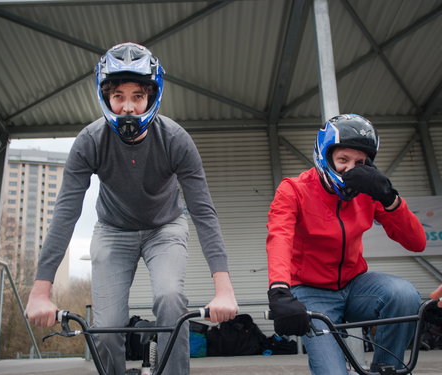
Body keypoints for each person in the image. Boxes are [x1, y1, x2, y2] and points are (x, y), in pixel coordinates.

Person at [25, 42, 238, 375]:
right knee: (107, 327)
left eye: (138, 96)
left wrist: (223, 290)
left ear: (152, 98)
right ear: (106, 97)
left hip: (165, 228)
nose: (128, 107)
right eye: (119, 96)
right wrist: (40, 292)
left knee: (170, 300)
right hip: (112, 230)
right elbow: (66, 214)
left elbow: (203, 211)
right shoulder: (89, 141)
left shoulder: (176, 139)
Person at [266, 114, 426, 375]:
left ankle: (388, 369)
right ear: (325, 156)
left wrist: (389, 198)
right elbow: (279, 238)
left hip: (355, 286)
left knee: (404, 294)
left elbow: (416, 243)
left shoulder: (368, 192)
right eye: (343, 160)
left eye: (360, 162)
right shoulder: (293, 190)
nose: (351, 169)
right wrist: (280, 290)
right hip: (310, 292)